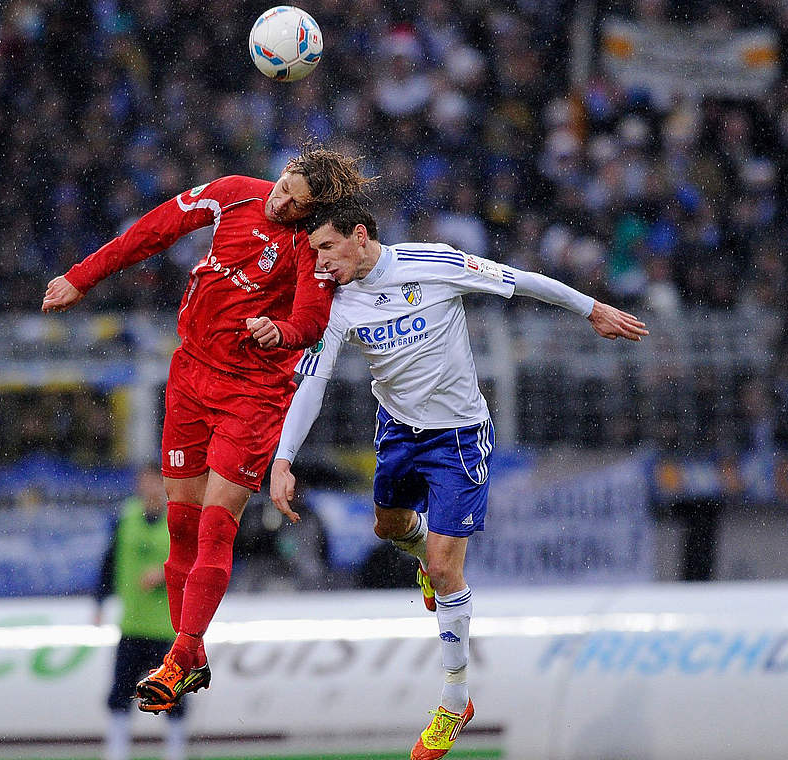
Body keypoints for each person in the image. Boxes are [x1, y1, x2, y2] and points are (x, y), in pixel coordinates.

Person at [269, 198, 646, 760]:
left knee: (448, 567)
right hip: (398, 432)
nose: (318, 261)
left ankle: (454, 699)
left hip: (458, 437)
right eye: (313, 251)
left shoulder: (433, 263)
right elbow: (313, 383)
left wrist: (589, 308)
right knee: (388, 527)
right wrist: (283, 458)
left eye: (326, 247)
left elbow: (518, 281)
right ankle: (421, 549)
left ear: (359, 234)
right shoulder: (336, 302)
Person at [42, 148, 370, 712]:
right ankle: (188, 658)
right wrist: (82, 277)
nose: (283, 202)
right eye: (286, 187)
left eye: (297, 204)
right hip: (191, 376)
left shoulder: (311, 245)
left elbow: (314, 321)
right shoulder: (237, 190)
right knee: (182, 527)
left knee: (219, 524)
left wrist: (281, 331)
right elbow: (154, 230)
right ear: (285, 169)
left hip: (253, 393)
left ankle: (181, 655)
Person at [94, 465, 186, 760]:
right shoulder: (126, 517)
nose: (150, 488)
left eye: (156, 481)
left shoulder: (179, 519)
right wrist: (99, 602)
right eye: (145, 481)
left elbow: (193, 563)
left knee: (172, 694)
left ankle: (175, 751)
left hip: (167, 626)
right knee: (120, 692)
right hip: (132, 622)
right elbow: (109, 562)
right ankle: (117, 752)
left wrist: (164, 574)